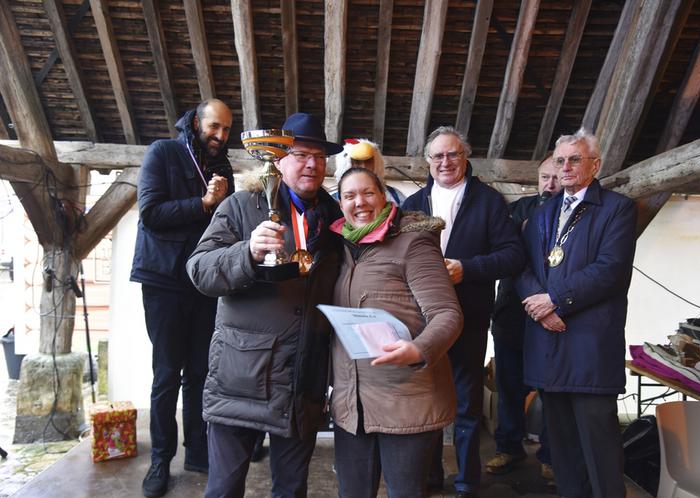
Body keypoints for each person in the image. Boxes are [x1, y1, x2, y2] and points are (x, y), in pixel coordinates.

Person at [186, 112, 343, 498]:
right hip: (242, 374)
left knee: (291, 490)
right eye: (301, 154)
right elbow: (199, 270)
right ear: (279, 158)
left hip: (302, 375)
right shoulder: (241, 206)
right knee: (223, 489)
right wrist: (248, 253)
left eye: (320, 157)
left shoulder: (335, 217)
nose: (312, 164)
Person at [402, 126, 525, 498]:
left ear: (465, 157)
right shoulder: (413, 205)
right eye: (437, 156)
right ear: (427, 161)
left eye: (453, 154)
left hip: (469, 317)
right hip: (422, 322)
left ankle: (467, 483)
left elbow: (513, 255)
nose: (445, 162)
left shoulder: (488, 201)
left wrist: (466, 268)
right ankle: (430, 478)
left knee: (467, 404)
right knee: (426, 402)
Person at [329, 168, 463, 498]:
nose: (359, 202)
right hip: (352, 405)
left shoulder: (414, 244)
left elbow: (447, 314)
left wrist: (419, 350)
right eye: (349, 196)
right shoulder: (340, 248)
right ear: (340, 204)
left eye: (368, 193)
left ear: (384, 196)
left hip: (406, 400)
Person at [517, 128, 636, 498]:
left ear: (595, 165)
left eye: (575, 159)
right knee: (562, 452)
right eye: (560, 160)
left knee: (600, 452)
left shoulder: (617, 208)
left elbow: (610, 269)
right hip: (548, 343)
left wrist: (554, 299)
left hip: (589, 348)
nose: (565, 167)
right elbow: (522, 266)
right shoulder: (543, 211)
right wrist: (539, 307)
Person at [130, 98, 234, 498]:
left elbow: (224, 224)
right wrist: (204, 203)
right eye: (214, 127)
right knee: (167, 373)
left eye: (226, 130)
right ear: (194, 122)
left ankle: (197, 450)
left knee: (200, 372)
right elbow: (150, 213)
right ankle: (160, 459)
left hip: (204, 282)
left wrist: (222, 205)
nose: (220, 136)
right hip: (163, 280)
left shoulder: (222, 167)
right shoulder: (164, 152)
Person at [486, 155, 559, 479]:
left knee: (550, 392)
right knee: (509, 387)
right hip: (511, 315)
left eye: (555, 178)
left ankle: (551, 457)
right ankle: (508, 448)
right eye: (545, 177)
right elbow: (503, 254)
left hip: (553, 317)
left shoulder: (576, 216)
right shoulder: (518, 210)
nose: (550, 184)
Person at [334, 138, 407, 205]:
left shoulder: (397, 198)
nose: (363, 167)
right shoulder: (332, 201)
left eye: (368, 161)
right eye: (357, 162)